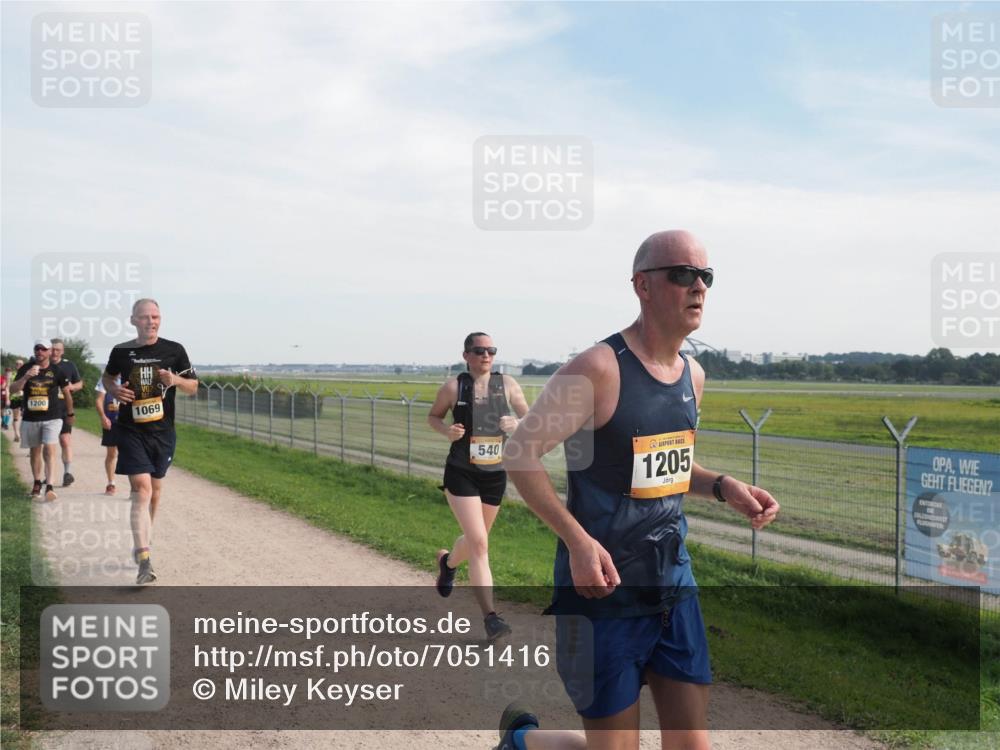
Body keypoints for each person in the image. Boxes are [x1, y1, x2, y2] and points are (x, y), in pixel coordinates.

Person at [499, 231, 780, 750]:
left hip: (673, 585)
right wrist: (578, 543)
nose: (697, 286)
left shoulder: (693, 375)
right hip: (602, 591)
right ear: (642, 286)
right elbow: (521, 453)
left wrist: (721, 486)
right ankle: (523, 741)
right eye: (682, 274)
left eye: (706, 277)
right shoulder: (598, 369)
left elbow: (661, 466)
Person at [427, 332, 529, 641]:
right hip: (462, 473)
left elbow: (532, 417)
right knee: (480, 544)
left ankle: (448, 563)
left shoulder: (508, 385)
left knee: (476, 541)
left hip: (495, 473)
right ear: (466, 355)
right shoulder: (453, 387)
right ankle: (491, 618)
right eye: (479, 350)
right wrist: (447, 430)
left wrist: (518, 424)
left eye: (491, 350)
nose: (486, 355)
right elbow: (433, 417)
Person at [103, 299, 198, 585]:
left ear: (161, 319)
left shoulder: (175, 350)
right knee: (141, 489)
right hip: (131, 431)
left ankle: (143, 538)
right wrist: (116, 391)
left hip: (163, 432)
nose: (150, 321)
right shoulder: (121, 351)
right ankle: (144, 558)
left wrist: (175, 381)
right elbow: (107, 378)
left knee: (155, 490)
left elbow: (194, 387)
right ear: (133, 320)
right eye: (144, 317)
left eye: (155, 316)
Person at [10, 340, 74, 502]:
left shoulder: (57, 371)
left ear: (50, 351)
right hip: (31, 418)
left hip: (52, 417)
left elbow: (67, 393)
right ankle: (37, 482)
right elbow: (12, 389)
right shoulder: (26, 368)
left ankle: (50, 486)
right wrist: (25, 377)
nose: (39, 352)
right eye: (37, 349)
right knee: (35, 451)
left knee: (49, 449)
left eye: (43, 349)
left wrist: (70, 413)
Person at [50, 338, 84, 486]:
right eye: (52, 349)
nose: (55, 352)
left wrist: (72, 387)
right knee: (47, 445)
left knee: (65, 440)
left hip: (64, 409)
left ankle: (67, 473)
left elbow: (80, 383)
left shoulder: (69, 365)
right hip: (45, 411)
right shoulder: (42, 365)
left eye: (58, 350)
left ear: (62, 351)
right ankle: (47, 474)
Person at [94, 375, 121, 495]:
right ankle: (111, 483)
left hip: (129, 422)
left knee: (132, 453)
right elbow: (99, 400)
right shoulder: (106, 378)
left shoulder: (131, 376)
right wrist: (103, 417)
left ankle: (136, 486)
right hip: (111, 421)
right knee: (112, 453)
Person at [10, 359, 24, 442]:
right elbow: (9, 386)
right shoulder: (13, 375)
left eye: (20, 364)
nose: (18, 365)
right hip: (15, 398)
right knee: (16, 417)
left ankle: (22, 434)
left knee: (24, 417)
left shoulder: (26, 374)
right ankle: (16, 435)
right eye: (17, 363)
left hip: (23, 398)